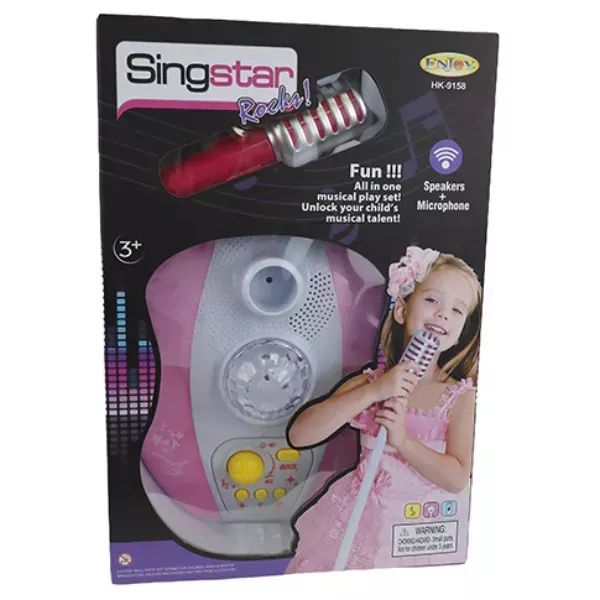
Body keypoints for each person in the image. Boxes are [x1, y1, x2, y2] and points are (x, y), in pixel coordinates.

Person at [285, 246, 482, 572]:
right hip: (358, 524)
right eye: (432, 300)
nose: (443, 314)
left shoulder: (459, 398)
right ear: (402, 310)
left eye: (457, 310)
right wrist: (375, 390)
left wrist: (403, 440)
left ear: (461, 330)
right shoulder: (371, 383)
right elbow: (301, 434)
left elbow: (456, 478)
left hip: (422, 532)